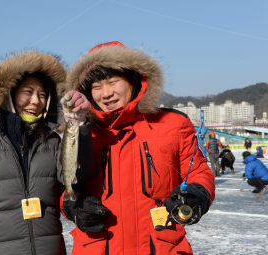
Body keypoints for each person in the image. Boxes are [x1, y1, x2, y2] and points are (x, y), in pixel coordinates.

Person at [61, 41, 215, 254]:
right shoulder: (82, 131)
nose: (105, 94)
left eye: (113, 82)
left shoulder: (173, 123)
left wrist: (198, 194)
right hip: (99, 246)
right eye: (96, 87)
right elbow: (65, 182)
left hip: (160, 247)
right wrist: (73, 208)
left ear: (134, 79)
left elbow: (199, 170)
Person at [0, 51, 93, 255]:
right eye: (27, 92)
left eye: (42, 94)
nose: (35, 101)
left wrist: (79, 125)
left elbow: (76, 179)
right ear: (9, 94)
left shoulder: (53, 141)